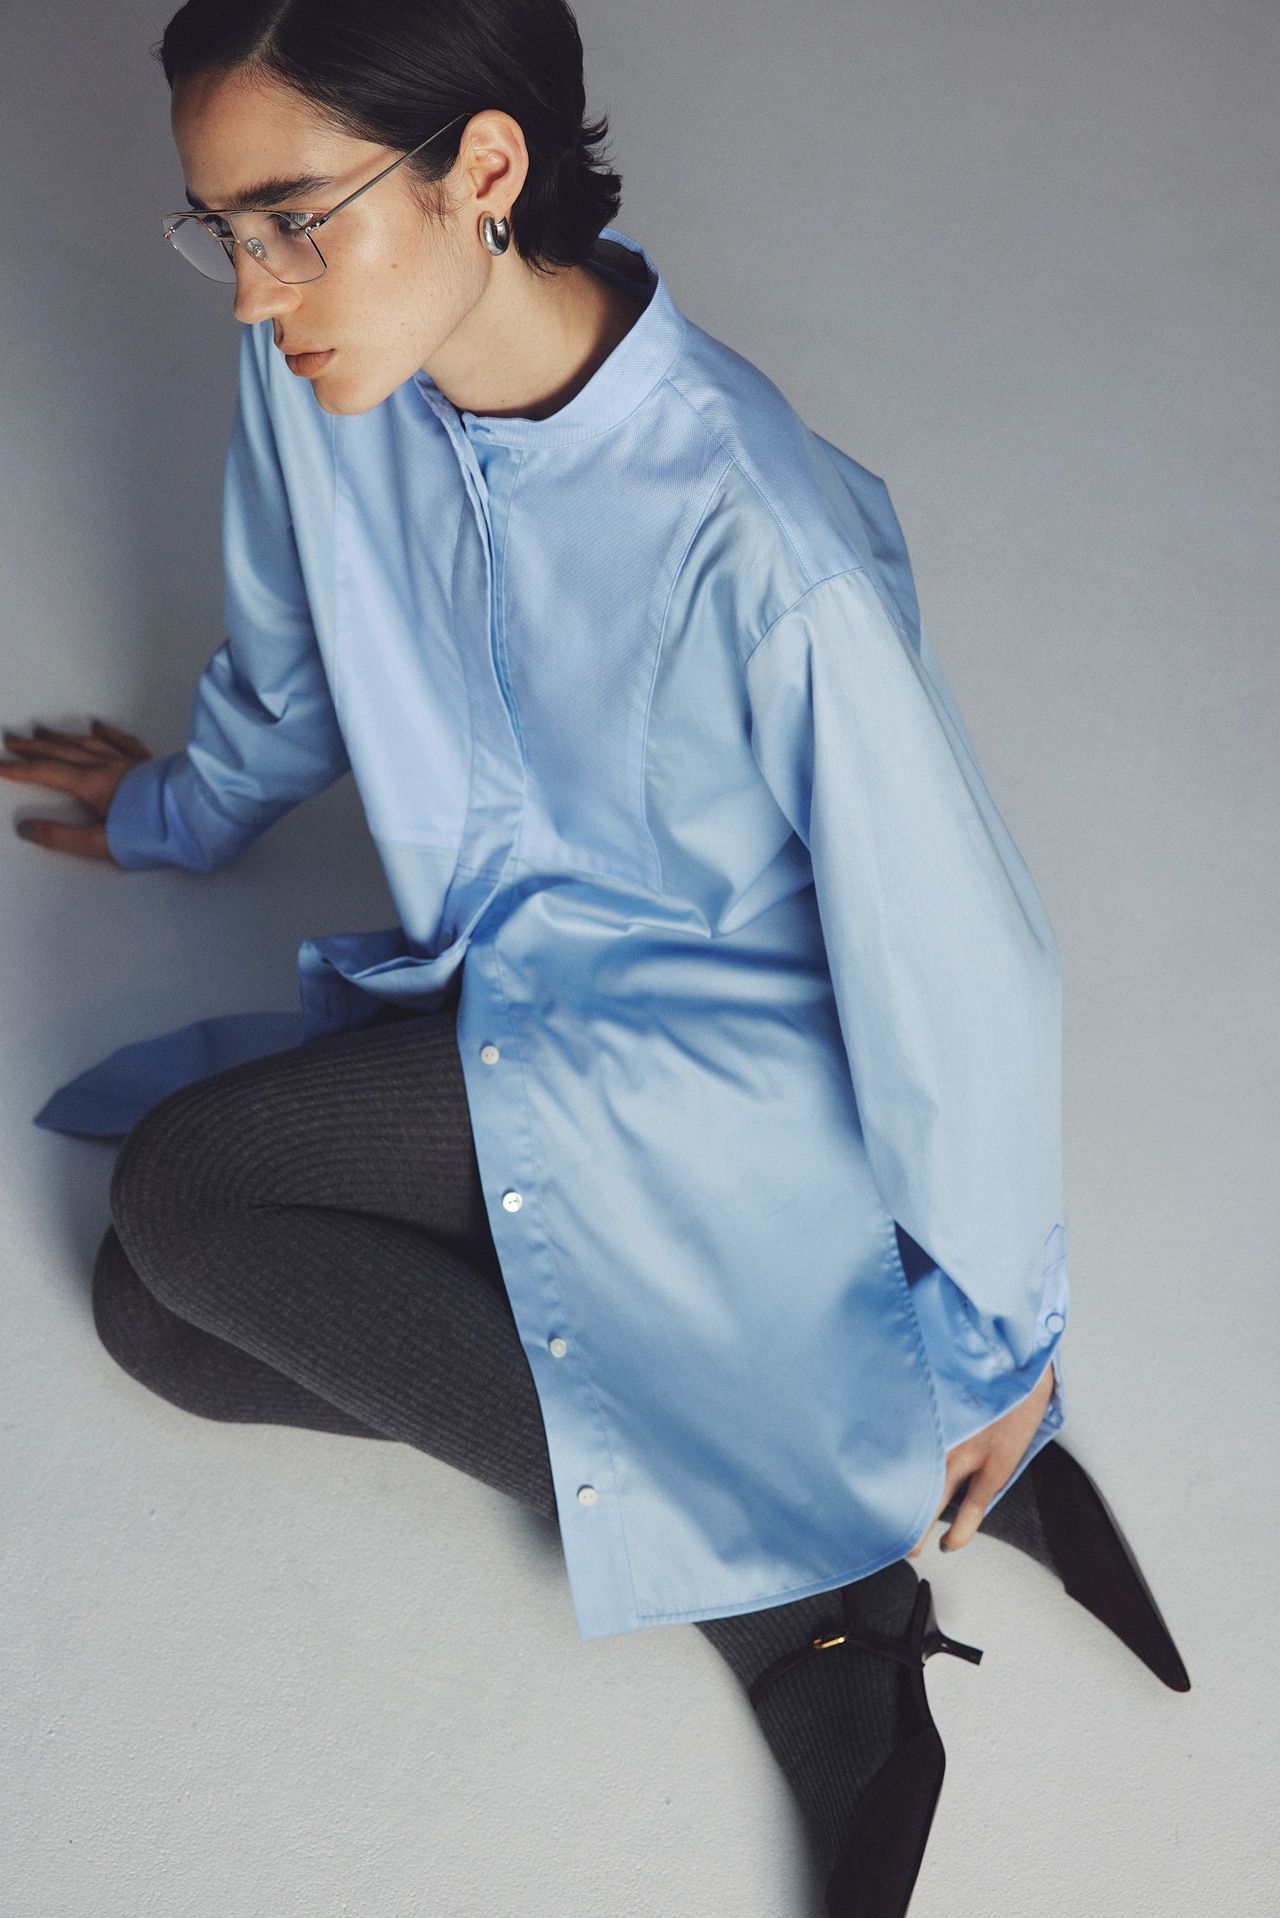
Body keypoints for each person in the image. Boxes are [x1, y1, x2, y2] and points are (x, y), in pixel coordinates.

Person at [1, 3, 1189, 1912]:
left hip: (727, 1071)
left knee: (186, 1196)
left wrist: (995, 1343)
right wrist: (172, 813)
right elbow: (289, 664)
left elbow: (962, 961)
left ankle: (816, 1600)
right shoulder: (326, 371)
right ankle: (825, 1420)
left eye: (293, 217)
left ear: (483, 167)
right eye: (219, 231)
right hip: (516, 1013)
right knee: (156, 1321)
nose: (254, 292)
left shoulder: (760, 531)